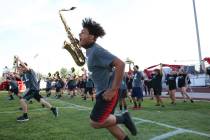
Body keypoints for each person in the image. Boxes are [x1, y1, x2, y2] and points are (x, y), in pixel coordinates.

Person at [79, 18, 137, 140]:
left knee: (96, 122)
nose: (79, 34)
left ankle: (124, 118)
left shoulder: (97, 51)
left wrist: (113, 89)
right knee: (109, 124)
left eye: (83, 32)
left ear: (92, 37)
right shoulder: (90, 50)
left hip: (109, 91)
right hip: (104, 90)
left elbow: (120, 64)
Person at [15, 56, 58, 122]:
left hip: (33, 89)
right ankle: (53, 109)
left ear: (25, 67)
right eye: (20, 67)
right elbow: (17, 69)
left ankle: (25, 116)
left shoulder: (30, 71)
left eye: (22, 67)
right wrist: (17, 62)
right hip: (33, 90)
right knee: (42, 101)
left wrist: (19, 59)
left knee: (22, 100)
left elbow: (25, 67)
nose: (20, 68)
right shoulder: (23, 74)